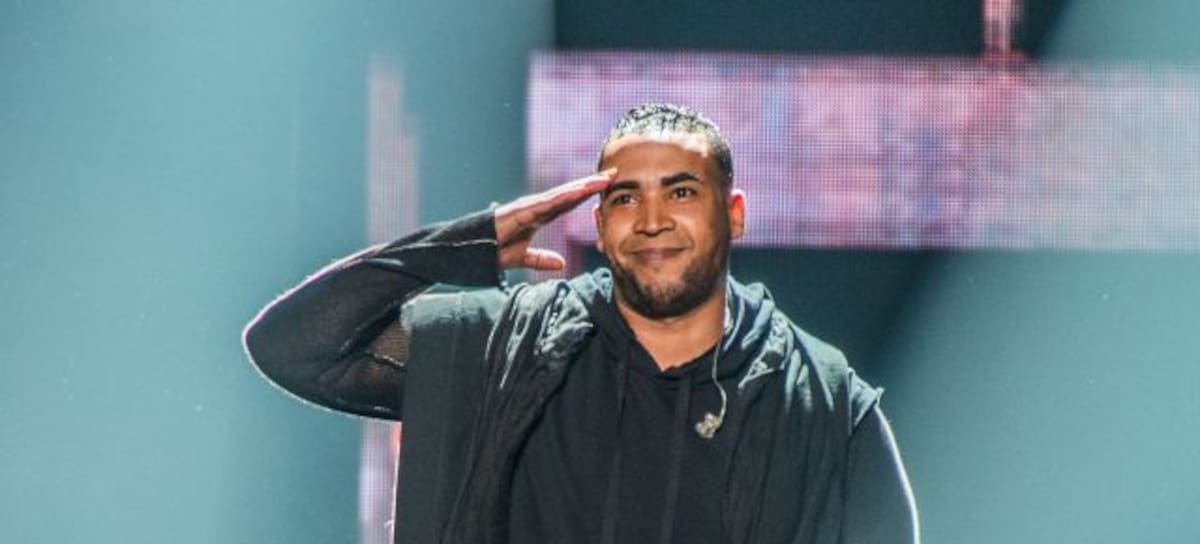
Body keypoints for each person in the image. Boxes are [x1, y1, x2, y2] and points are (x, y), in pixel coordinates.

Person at [243, 103, 919, 544]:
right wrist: (465, 246)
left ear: (733, 213)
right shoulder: (510, 350)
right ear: (598, 223)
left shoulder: (825, 405)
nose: (652, 220)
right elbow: (296, 347)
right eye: (625, 198)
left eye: (681, 192)